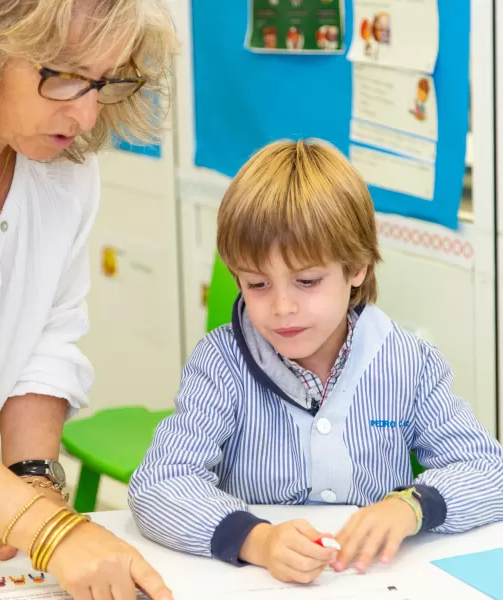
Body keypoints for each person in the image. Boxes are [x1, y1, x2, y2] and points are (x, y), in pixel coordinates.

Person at [128, 139, 503, 585]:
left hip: (374, 581)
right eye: (258, 284)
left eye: (307, 281)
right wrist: (257, 541)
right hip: (257, 583)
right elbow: (158, 485)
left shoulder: (409, 362)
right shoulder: (221, 363)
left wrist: (411, 506)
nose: (282, 307)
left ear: (357, 267)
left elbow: (487, 471)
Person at [0, 1, 177, 598]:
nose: (83, 113)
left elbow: (47, 338)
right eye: (63, 75)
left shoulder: (60, 164)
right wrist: (54, 533)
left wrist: (32, 482)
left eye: (101, 82)